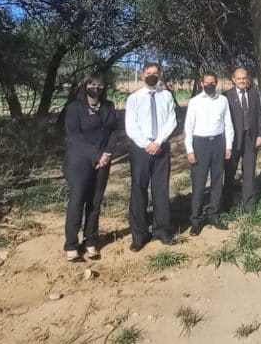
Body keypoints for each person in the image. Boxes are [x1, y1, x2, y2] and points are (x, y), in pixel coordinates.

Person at [63, 76, 118, 261]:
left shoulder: (108, 107)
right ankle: (71, 244)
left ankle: (91, 241)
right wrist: (96, 155)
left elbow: (113, 132)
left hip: (103, 161)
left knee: (95, 203)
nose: (96, 88)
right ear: (85, 86)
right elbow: (75, 137)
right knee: (77, 201)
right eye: (92, 84)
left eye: (100, 85)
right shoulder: (74, 108)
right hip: (79, 161)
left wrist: (108, 154)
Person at [125, 61, 177, 250]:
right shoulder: (134, 98)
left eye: (155, 73)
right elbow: (131, 126)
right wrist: (147, 144)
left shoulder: (167, 96)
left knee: (161, 190)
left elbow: (171, 120)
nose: (152, 76)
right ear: (142, 75)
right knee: (139, 190)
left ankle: (161, 230)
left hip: (161, 147)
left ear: (160, 75)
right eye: (148, 73)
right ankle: (139, 234)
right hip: (141, 149)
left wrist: (158, 142)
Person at [184, 71, 234, 236]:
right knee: (198, 185)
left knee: (217, 182)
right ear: (201, 83)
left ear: (217, 83)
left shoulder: (223, 100)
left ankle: (214, 214)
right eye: (207, 83)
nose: (210, 85)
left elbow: (228, 124)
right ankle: (196, 219)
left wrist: (229, 146)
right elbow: (188, 127)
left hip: (218, 143)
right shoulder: (194, 102)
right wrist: (190, 149)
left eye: (213, 83)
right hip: (200, 144)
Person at [223, 67, 261, 214]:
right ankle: (227, 205)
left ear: (247, 78)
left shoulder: (253, 93)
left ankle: (249, 206)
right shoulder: (226, 96)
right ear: (233, 79)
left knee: (249, 173)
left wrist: (260, 134)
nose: (241, 81)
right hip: (233, 140)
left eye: (244, 78)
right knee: (229, 173)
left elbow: (259, 115)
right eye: (238, 78)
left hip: (250, 139)